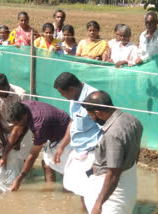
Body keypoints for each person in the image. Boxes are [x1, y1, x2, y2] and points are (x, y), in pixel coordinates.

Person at [82, 91, 143, 214]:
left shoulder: (112, 134)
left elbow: (114, 174)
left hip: (113, 192)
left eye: (90, 115)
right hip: (129, 179)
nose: (91, 119)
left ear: (98, 113)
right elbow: (137, 151)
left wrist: (99, 204)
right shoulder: (133, 119)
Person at [49, 72, 101, 205]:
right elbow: (73, 123)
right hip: (79, 149)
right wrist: (61, 147)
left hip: (93, 152)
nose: (62, 96)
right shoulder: (74, 98)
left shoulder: (94, 98)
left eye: (63, 93)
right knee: (78, 189)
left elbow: (106, 127)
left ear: (71, 89)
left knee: (91, 193)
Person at [0, 100, 71, 191]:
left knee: (64, 169)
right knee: (46, 164)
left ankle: (67, 195)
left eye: (17, 123)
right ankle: (49, 191)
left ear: (24, 116)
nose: (16, 126)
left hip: (66, 135)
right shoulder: (23, 106)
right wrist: (4, 155)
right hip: (52, 129)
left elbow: (33, 155)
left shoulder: (39, 125)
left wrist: (19, 179)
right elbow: (16, 132)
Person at [0, 73, 31, 160]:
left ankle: (25, 173)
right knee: (3, 155)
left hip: (22, 129)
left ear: (6, 86)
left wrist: (19, 140)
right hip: (4, 129)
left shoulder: (21, 94)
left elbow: (26, 120)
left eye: (0, 91)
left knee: (22, 158)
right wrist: (3, 141)